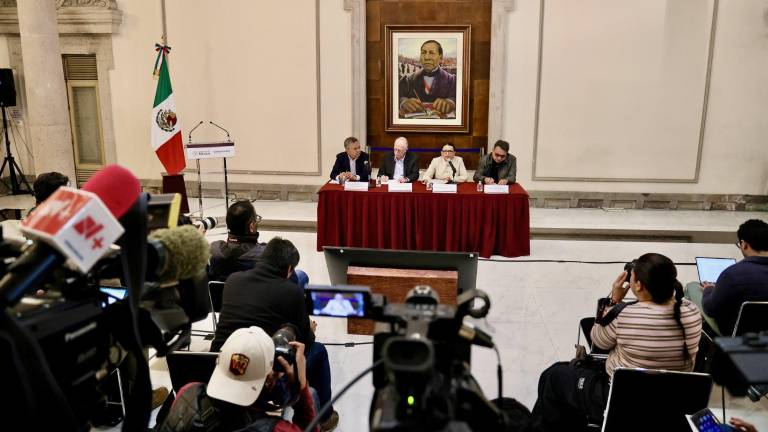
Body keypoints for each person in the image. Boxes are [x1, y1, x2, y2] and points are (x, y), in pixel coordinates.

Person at [531, 253, 702, 431]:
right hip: (672, 403)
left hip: (620, 400)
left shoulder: (625, 315)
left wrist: (614, 301)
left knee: (553, 375)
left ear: (638, 285)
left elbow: (598, 340)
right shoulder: (692, 311)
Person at [212, 238, 338, 431]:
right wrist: (311, 331)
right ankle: (325, 417)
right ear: (289, 269)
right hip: (261, 376)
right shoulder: (292, 292)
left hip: (222, 365)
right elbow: (304, 341)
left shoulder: (233, 280)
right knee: (319, 351)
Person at [158, 326, 319, 432]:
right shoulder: (277, 429)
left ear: (218, 361)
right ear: (269, 380)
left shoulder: (188, 392)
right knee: (312, 393)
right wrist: (302, 386)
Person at [686, 219, 768, 336]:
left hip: (736, 335)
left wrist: (709, 289)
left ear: (744, 244)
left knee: (692, 287)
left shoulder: (733, 274)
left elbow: (710, 309)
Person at [208, 200, 308, 287]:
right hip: (264, 300)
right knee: (301, 275)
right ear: (251, 227)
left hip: (226, 300)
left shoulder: (215, 252)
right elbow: (292, 280)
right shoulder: (267, 255)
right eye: (256, 218)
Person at [398, 40, 457, 118]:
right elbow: (397, 96)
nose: (426, 57)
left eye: (432, 53)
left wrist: (451, 102)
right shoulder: (407, 80)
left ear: (441, 57)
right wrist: (403, 102)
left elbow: (459, 98)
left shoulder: (452, 80)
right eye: (423, 53)